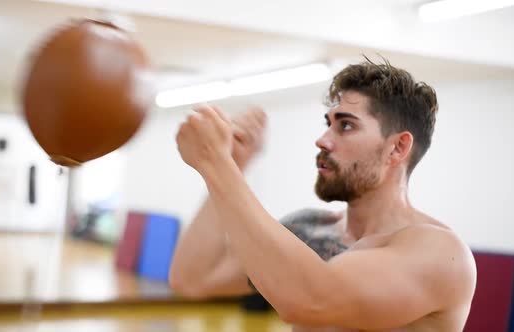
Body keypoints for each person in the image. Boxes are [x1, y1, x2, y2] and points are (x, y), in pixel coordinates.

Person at [169, 58, 477, 331]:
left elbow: (310, 300)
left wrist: (219, 165)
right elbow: (193, 279)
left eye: (345, 125)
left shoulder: (440, 252)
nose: (322, 140)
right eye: (327, 124)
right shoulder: (309, 228)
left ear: (397, 147)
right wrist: (233, 163)